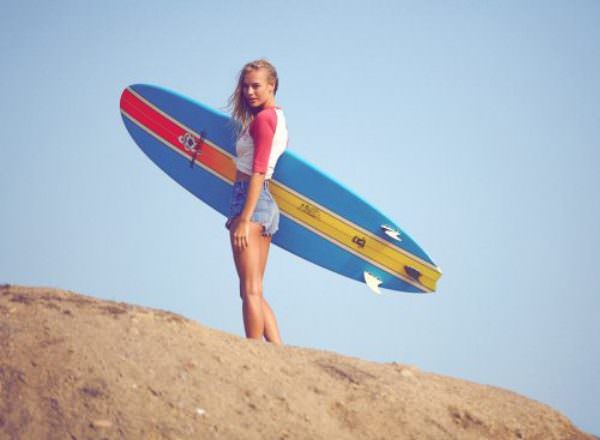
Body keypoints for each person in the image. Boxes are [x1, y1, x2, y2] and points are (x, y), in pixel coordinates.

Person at [225, 59, 288, 344]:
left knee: (250, 289)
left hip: (252, 201)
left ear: (271, 86)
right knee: (253, 290)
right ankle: (277, 352)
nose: (249, 92)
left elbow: (258, 170)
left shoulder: (264, 120)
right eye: (245, 86)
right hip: (263, 204)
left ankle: (252, 352)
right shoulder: (277, 117)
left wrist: (244, 219)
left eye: (256, 86)